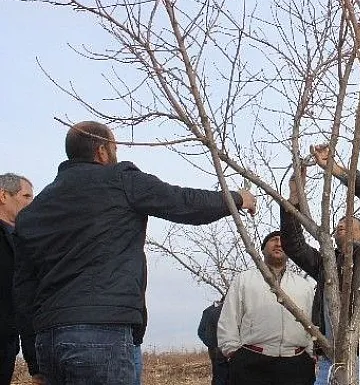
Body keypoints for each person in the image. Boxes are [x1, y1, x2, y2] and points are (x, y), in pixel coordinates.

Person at [13, 121, 256, 385]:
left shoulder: (32, 212)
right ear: (103, 151)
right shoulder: (121, 180)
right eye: (114, 147)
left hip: (48, 341)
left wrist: (35, 362)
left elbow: (24, 291)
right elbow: (183, 202)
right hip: (102, 333)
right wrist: (237, 198)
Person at [280, 144, 360, 385]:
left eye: (349, 221)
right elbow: (293, 245)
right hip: (328, 361)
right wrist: (293, 199)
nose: (341, 224)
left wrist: (335, 170)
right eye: (338, 223)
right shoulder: (326, 263)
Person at [217, 231, 315, 385]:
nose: (279, 243)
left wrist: (310, 354)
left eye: (283, 241)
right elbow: (229, 317)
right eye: (273, 240)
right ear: (262, 249)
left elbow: (310, 322)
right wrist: (233, 352)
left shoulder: (304, 286)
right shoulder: (244, 279)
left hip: (297, 365)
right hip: (252, 363)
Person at [0, 173, 37, 385]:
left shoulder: (23, 240)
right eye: (26, 196)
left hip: (8, 345)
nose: (31, 203)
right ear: (4, 196)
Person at [198, 299, 229, 385]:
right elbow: (201, 331)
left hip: (227, 346)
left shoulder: (230, 311)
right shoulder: (208, 311)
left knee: (223, 375)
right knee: (219, 374)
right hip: (216, 348)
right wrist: (211, 344)